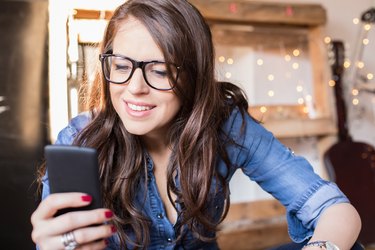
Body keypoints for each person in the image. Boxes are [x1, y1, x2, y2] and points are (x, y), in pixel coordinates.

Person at [31, 0, 362, 249]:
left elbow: (333, 209)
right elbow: (61, 237)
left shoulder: (226, 125)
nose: (134, 87)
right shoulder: (80, 139)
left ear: (194, 77)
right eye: (120, 66)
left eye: (159, 71)